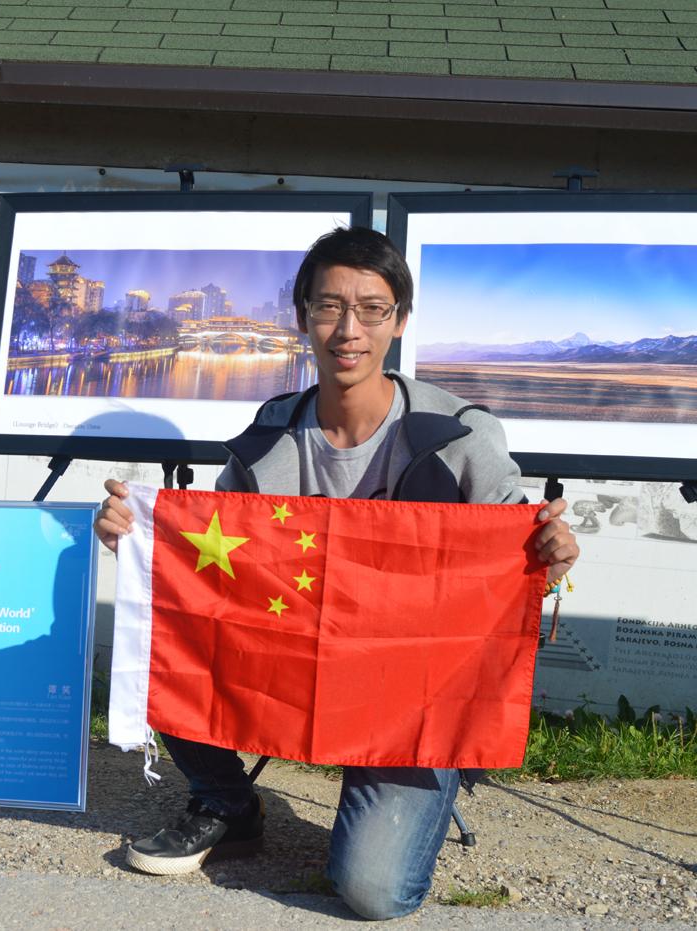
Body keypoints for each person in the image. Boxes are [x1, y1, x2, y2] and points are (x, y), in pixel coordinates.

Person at [95, 227, 579, 919]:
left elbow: (515, 564)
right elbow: (214, 565)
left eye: (372, 309)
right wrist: (137, 540)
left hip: (412, 689)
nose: (348, 329)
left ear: (399, 321)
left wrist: (552, 556)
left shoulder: (461, 435)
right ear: (302, 316)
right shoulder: (270, 432)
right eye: (328, 307)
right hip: (297, 662)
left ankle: (414, 781)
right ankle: (227, 800)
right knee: (173, 629)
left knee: (371, 891)